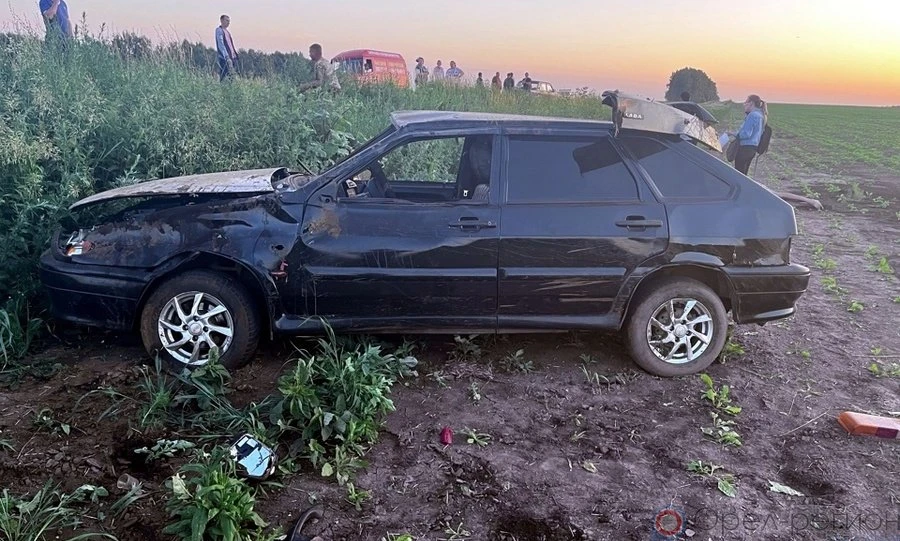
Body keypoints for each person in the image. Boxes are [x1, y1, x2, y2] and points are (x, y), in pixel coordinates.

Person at [728, 94, 768, 175]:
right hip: (752, 149)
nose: (744, 104)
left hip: (744, 149)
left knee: (739, 174)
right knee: (744, 174)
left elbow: (746, 134)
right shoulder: (761, 115)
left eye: (746, 102)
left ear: (751, 103)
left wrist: (733, 134)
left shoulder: (753, 115)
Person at [215, 15, 238, 81]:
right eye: (227, 20)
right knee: (224, 76)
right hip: (224, 58)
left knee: (231, 77)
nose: (228, 22)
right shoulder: (219, 30)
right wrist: (226, 56)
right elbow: (221, 44)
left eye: (229, 21)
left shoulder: (227, 32)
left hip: (232, 58)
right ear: (221, 21)